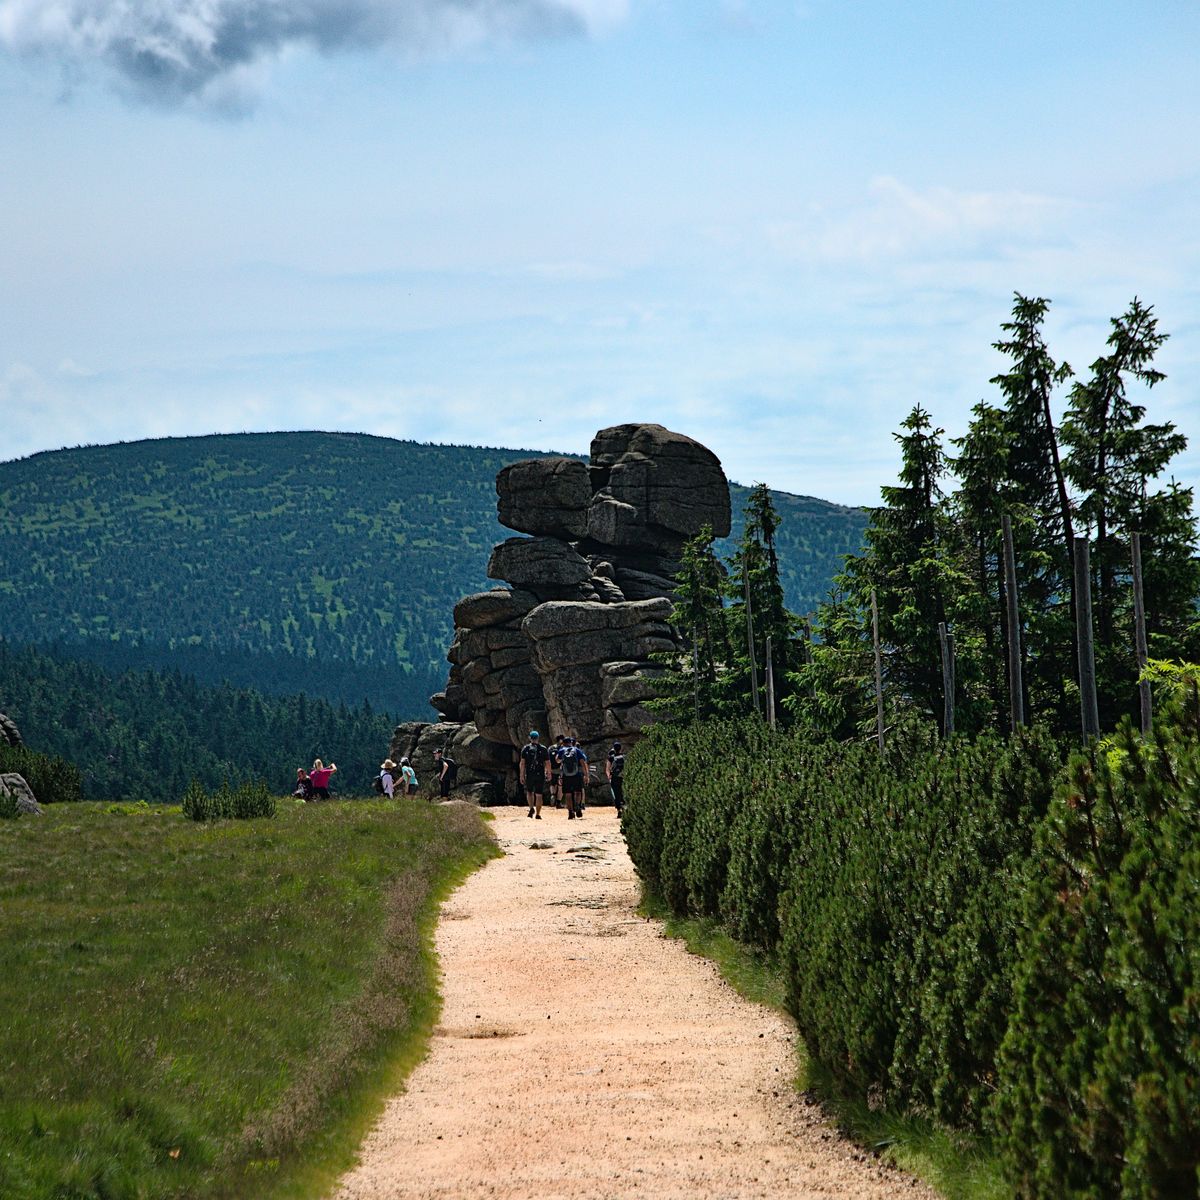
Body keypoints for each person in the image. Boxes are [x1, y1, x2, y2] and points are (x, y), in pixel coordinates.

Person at [520, 729, 550, 819]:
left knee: (529, 792)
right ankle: (538, 814)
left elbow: (522, 763)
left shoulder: (525, 749)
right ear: (538, 738)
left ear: (530, 738)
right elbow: (548, 763)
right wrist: (549, 773)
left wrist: (521, 775)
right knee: (539, 794)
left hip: (530, 773)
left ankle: (531, 807)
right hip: (540, 773)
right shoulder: (543, 748)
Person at [559, 736, 588, 819]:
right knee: (578, 791)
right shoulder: (577, 750)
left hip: (566, 775)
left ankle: (570, 812)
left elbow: (557, 760)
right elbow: (583, 762)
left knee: (568, 793)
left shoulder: (562, 750)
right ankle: (577, 806)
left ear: (563, 743)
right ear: (571, 743)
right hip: (577, 774)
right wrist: (586, 775)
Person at [606, 742, 626, 817]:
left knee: (616, 794)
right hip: (623, 777)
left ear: (614, 749)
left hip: (614, 777)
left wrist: (609, 776)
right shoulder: (624, 756)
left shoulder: (611, 758)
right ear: (621, 748)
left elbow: (607, 769)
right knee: (623, 792)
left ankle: (619, 810)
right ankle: (624, 807)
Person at [549, 735, 566, 808]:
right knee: (560, 786)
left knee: (553, 784)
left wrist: (547, 770)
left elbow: (547, 760)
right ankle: (558, 802)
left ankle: (552, 795)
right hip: (560, 770)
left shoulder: (550, 748)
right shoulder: (562, 748)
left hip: (551, 769)